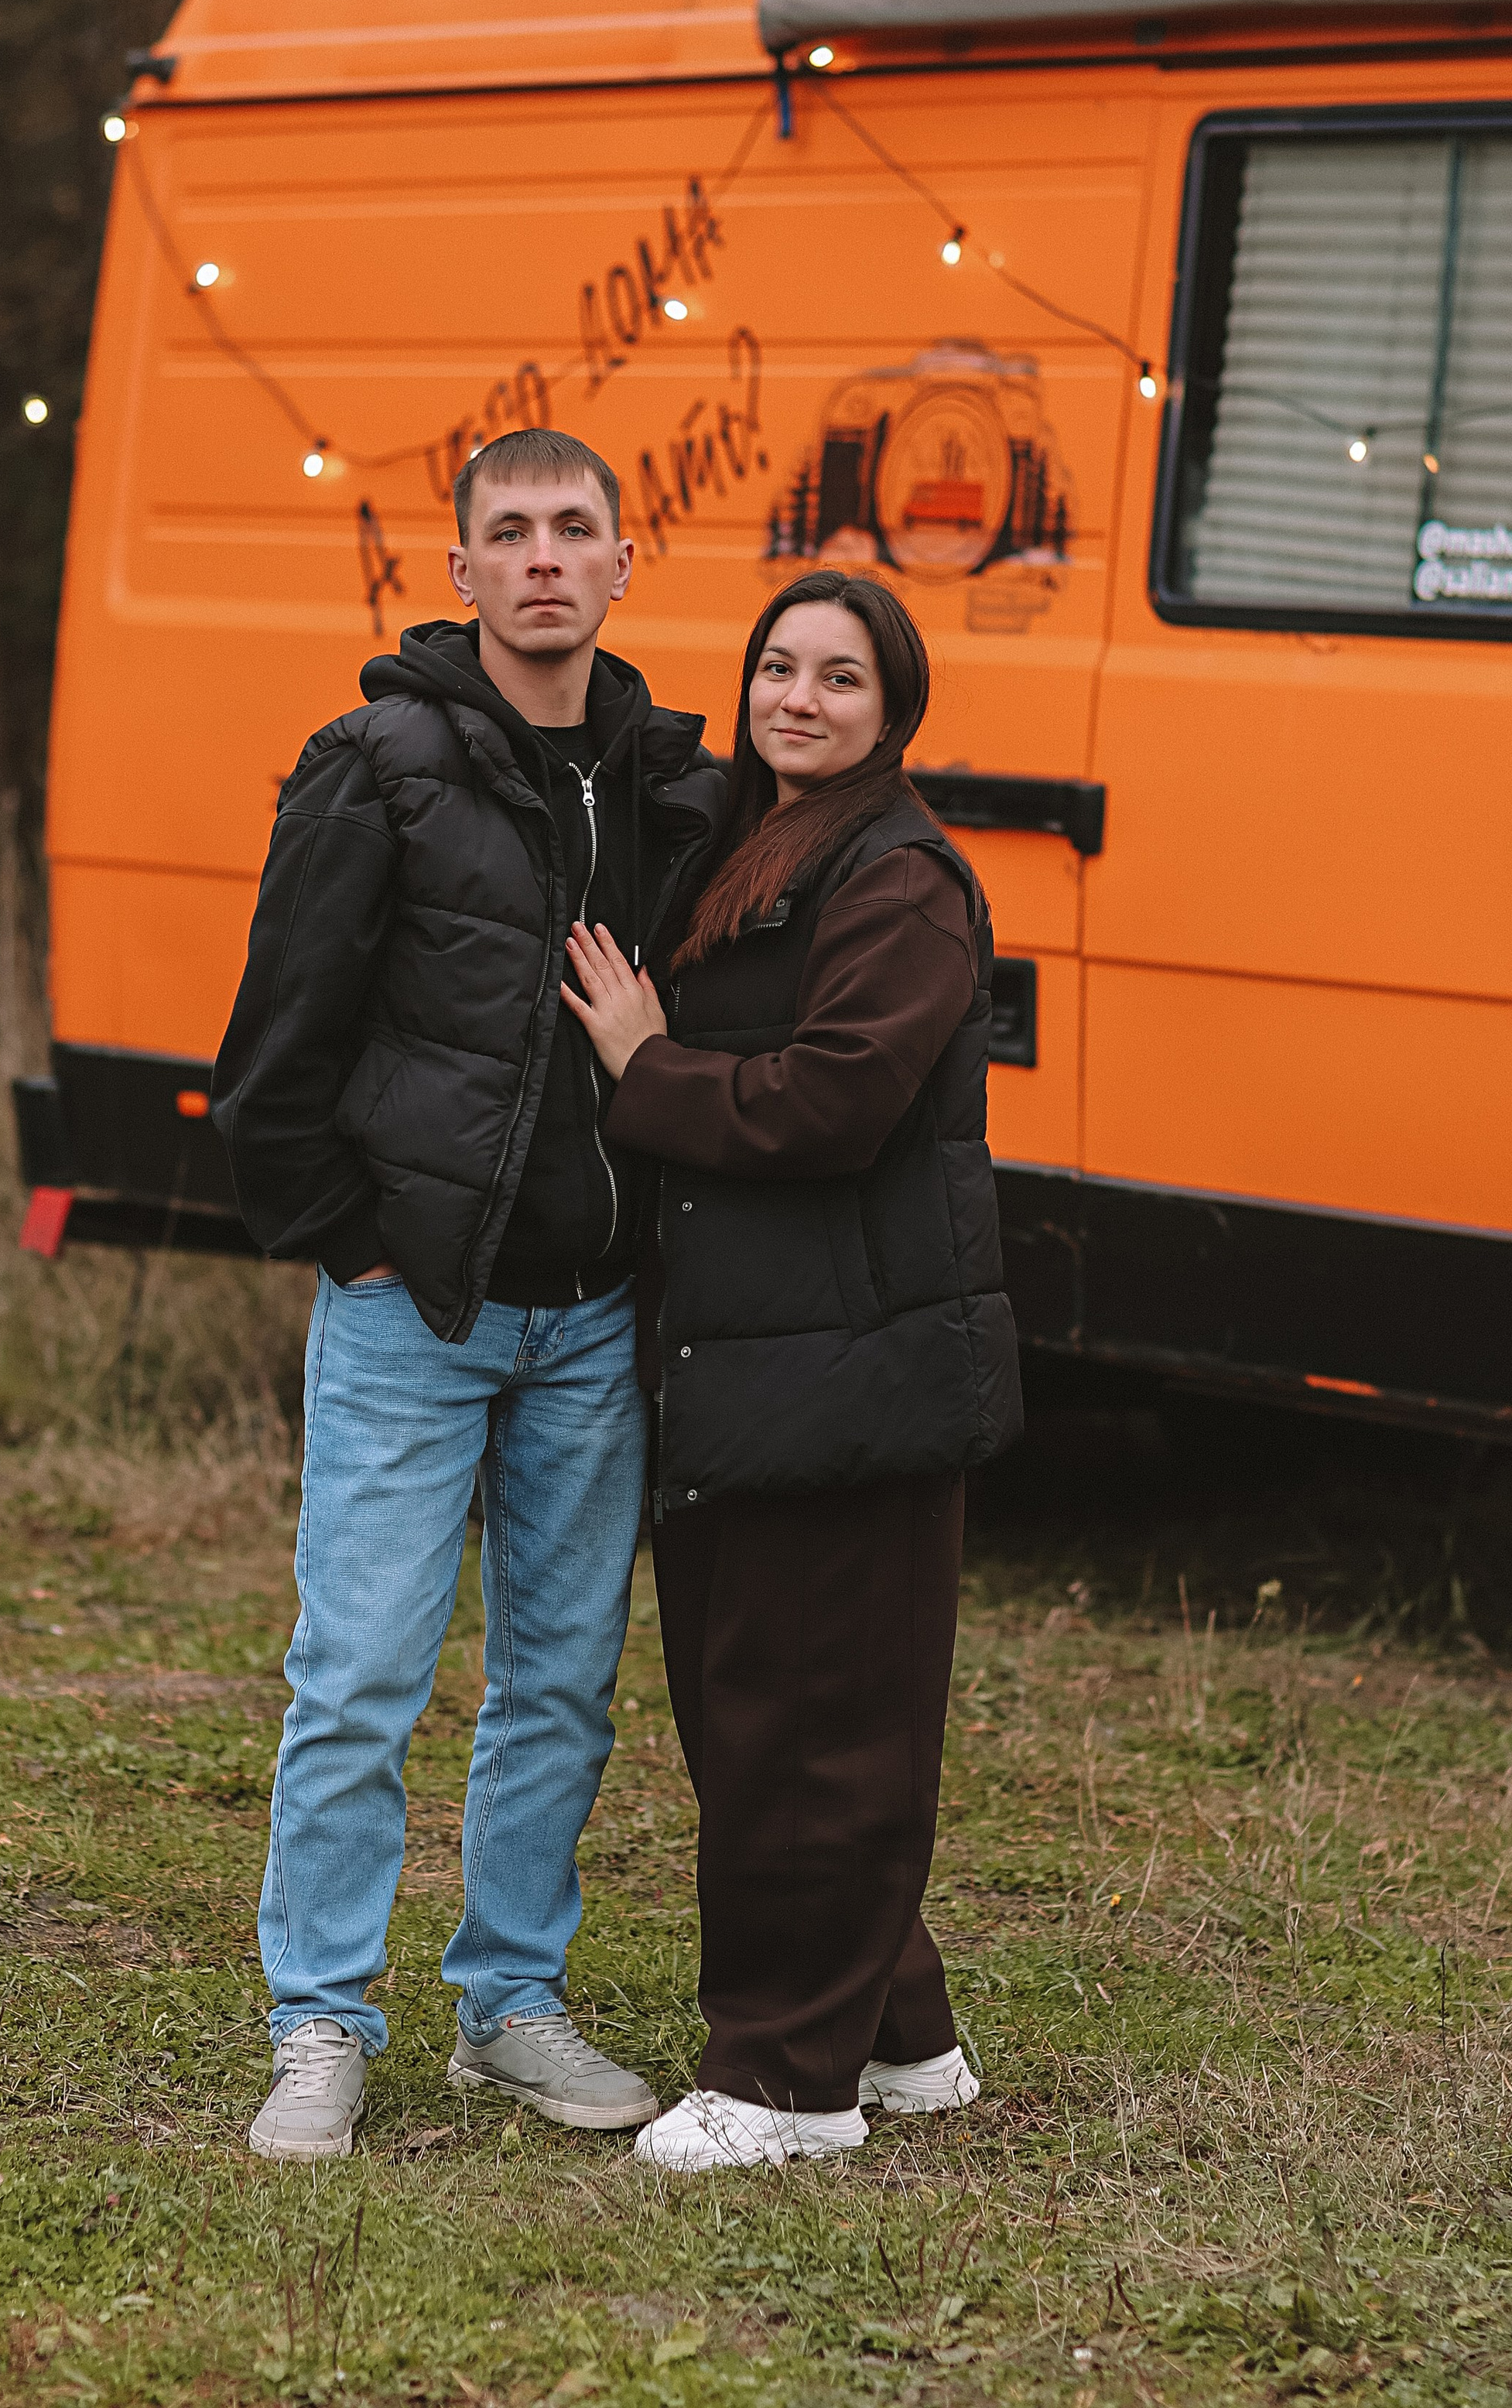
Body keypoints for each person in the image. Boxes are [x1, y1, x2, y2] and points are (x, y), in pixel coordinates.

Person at [212, 426, 725, 2162]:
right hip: (411, 1310)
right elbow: (276, 1035)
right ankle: (317, 2021)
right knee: (358, 1670)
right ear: (458, 572)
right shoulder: (378, 760)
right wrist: (344, 1232)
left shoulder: (668, 780)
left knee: (562, 1680)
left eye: (573, 527)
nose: (541, 559)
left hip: (590, 1317)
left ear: (620, 559)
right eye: (506, 532)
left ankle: (509, 2003)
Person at [560, 569, 1021, 2172]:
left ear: (891, 707)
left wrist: (645, 1065)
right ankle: (895, 2039)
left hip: (852, 1368)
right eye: (776, 666)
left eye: (838, 675)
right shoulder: (755, 845)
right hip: (761, 1360)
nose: (796, 696)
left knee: (809, 1724)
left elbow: (835, 1102)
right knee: (776, 1709)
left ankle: (781, 2083)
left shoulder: (898, 883)